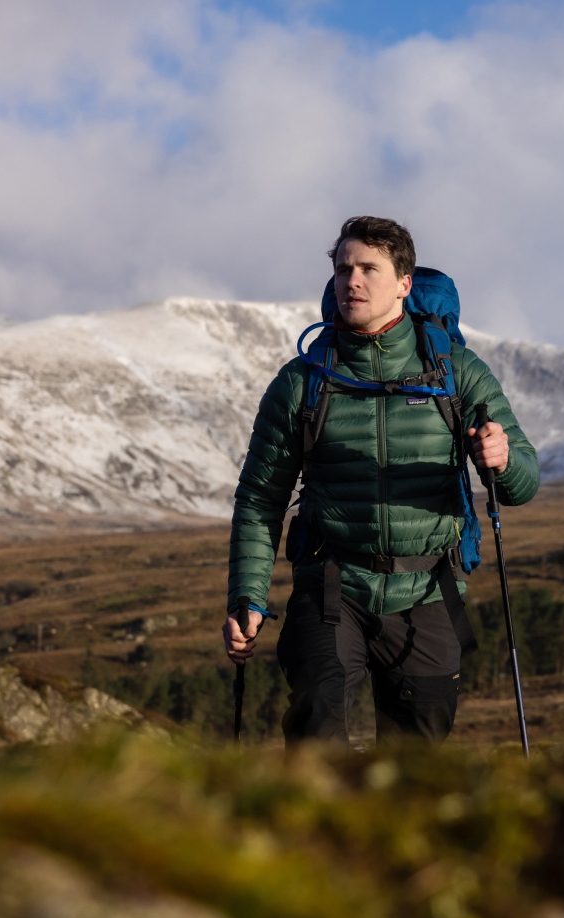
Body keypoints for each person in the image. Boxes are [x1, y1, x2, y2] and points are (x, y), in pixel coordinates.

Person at [222, 216, 540, 745]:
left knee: (417, 764)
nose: (353, 280)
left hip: (429, 590)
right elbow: (259, 500)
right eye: (344, 268)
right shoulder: (302, 382)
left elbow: (522, 486)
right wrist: (247, 599)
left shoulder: (456, 372)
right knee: (318, 726)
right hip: (329, 586)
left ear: (404, 283)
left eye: (369, 268)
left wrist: (503, 460)